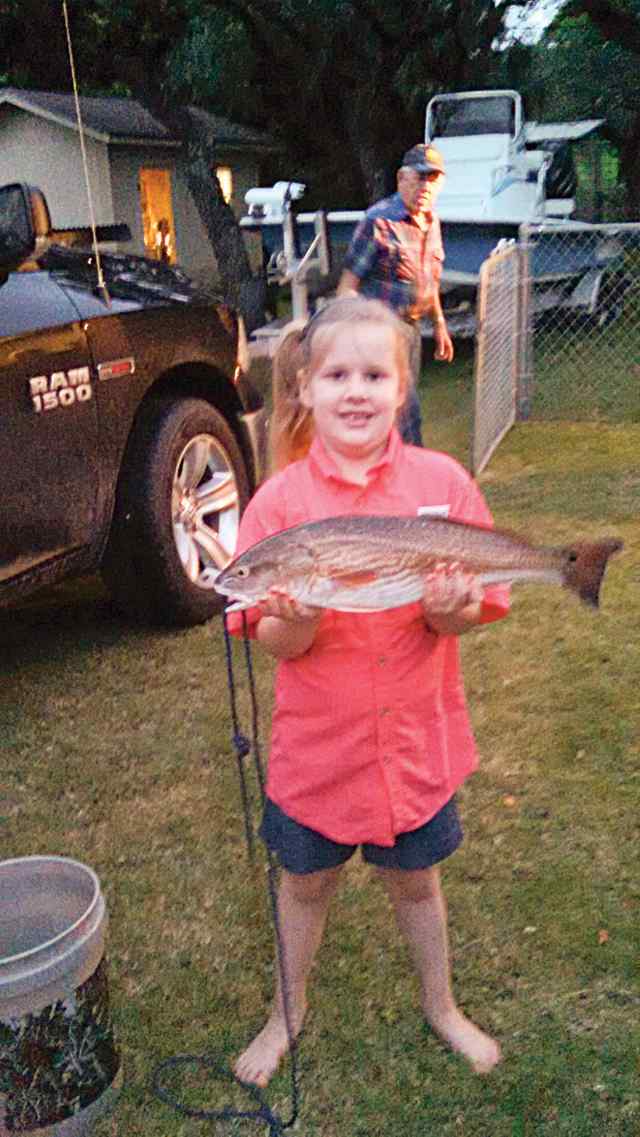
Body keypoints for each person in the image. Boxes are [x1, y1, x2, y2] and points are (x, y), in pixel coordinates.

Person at [226, 295, 508, 1089]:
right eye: (337, 374)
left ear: (402, 389)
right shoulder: (279, 505)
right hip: (319, 753)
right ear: (304, 388)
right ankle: (288, 1011)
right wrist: (297, 619)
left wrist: (452, 611)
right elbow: (269, 636)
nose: (356, 390)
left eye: (374, 374)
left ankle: (442, 1003)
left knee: (417, 882)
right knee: (304, 884)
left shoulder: (442, 482)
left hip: (414, 745)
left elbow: (467, 614)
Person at [337, 143, 454, 446]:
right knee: (405, 415)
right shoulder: (378, 221)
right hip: (381, 333)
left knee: (399, 411)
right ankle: (412, 483)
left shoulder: (431, 221)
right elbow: (347, 286)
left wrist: (439, 323)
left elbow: (430, 278)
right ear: (402, 178)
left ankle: (391, 475)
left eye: (434, 179)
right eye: (421, 177)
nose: (427, 186)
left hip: (411, 330)